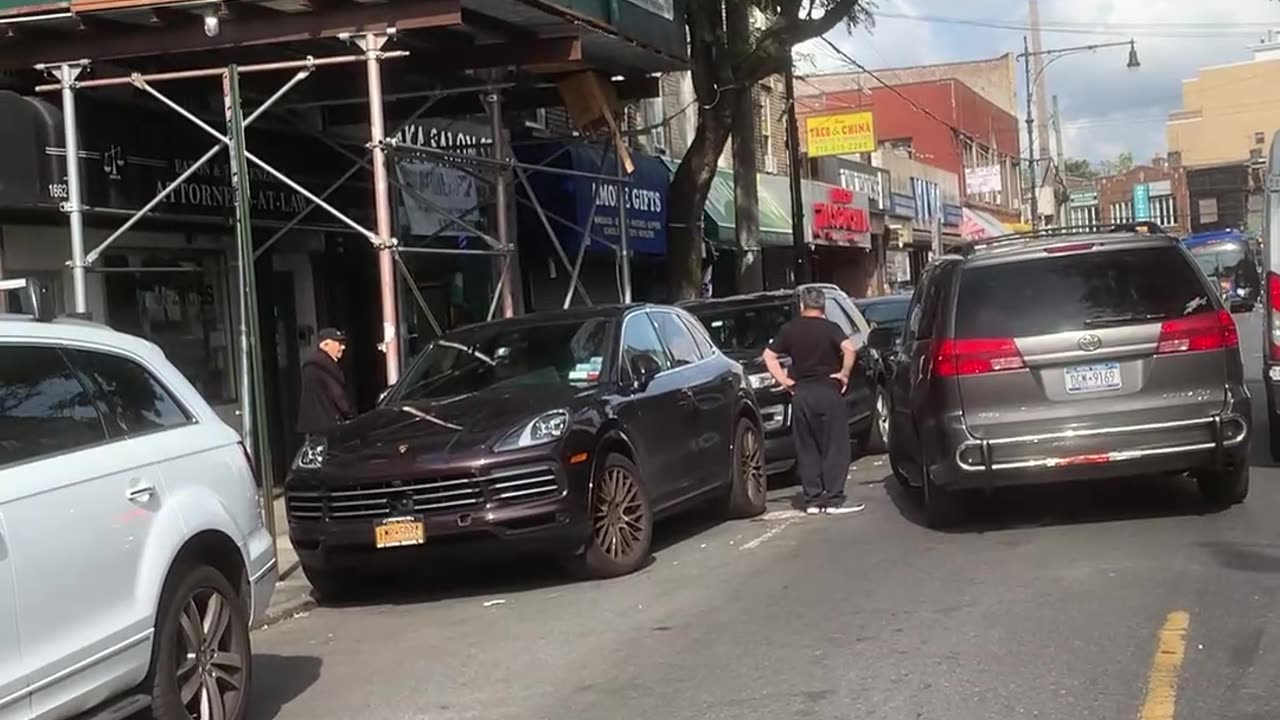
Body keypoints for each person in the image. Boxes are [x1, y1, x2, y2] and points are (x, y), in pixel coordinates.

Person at [762, 288, 862, 515]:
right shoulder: (831, 328)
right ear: (823, 306)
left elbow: (769, 356)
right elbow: (849, 348)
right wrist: (844, 373)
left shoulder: (789, 330)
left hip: (802, 393)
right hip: (828, 391)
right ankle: (834, 498)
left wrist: (786, 381)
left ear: (801, 306)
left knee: (807, 447)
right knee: (835, 446)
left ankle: (813, 499)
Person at [297, 328, 354, 440]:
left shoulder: (312, 365)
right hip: (329, 426)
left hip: (315, 426)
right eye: (339, 343)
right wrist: (350, 415)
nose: (343, 347)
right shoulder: (325, 366)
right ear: (325, 345)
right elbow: (337, 394)